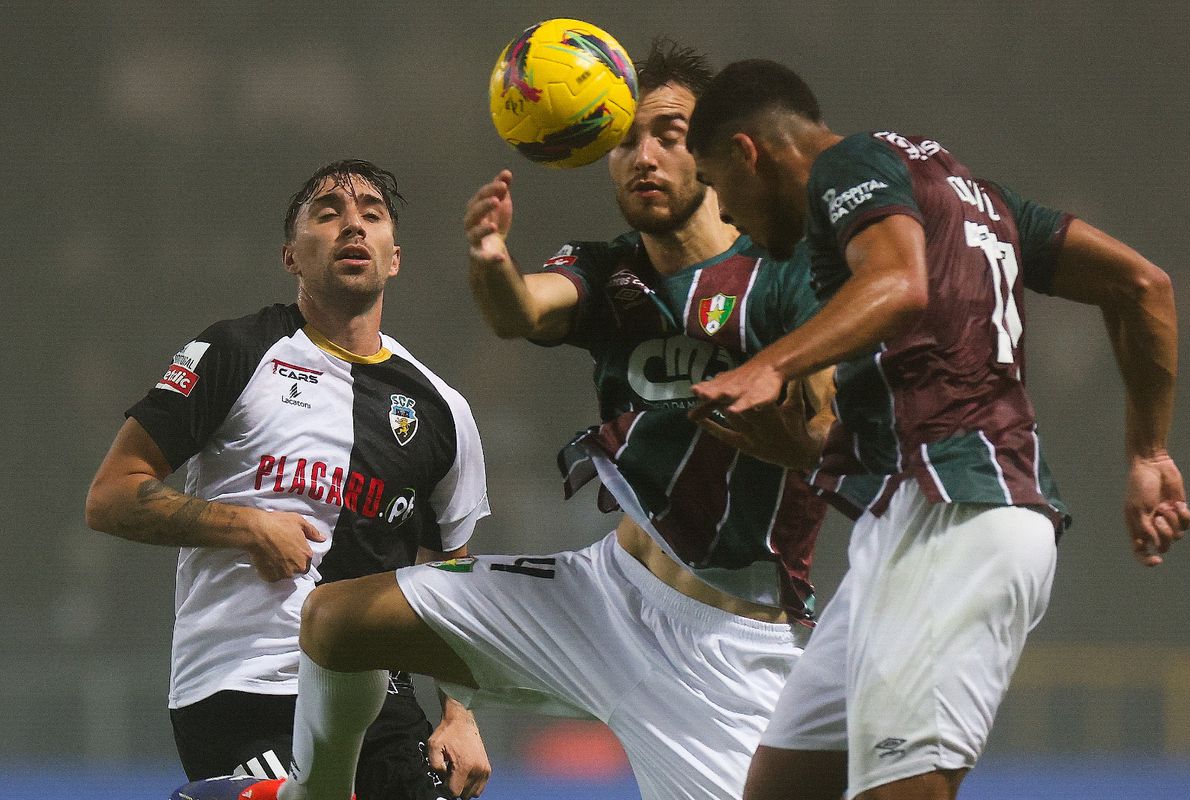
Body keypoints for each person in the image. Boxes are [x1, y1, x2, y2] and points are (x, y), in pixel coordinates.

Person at [180, 41, 834, 800]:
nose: (642, 156)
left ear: (721, 153)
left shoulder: (788, 277)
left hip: (727, 646)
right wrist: (490, 258)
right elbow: (523, 309)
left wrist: (807, 441)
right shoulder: (611, 272)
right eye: (624, 140)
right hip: (602, 594)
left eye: (669, 135)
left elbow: (832, 426)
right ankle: (311, 796)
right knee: (335, 620)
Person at [683, 59, 1190, 800]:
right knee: (783, 787)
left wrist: (773, 365)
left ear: (745, 152)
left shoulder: (845, 166)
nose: (724, 213)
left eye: (713, 182)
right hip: (909, 517)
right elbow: (1142, 286)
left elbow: (898, 284)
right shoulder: (973, 196)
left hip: (961, 520)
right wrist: (1147, 452)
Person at [85, 160, 493, 800]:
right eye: (328, 213)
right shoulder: (236, 352)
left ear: (394, 259)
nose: (352, 224)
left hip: (382, 702)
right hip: (245, 684)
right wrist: (244, 525)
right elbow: (110, 496)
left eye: (372, 215)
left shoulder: (443, 408)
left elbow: (451, 570)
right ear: (290, 256)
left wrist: (459, 712)